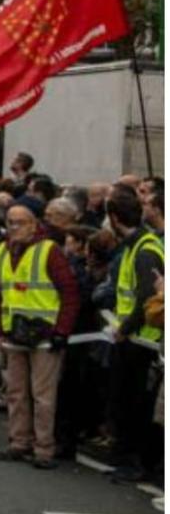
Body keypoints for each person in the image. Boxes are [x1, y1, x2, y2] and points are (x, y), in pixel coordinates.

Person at [0, 204, 79, 469]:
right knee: (16, 392)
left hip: (45, 334)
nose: (15, 227)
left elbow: (69, 293)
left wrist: (62, 331)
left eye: (20, 222)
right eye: (11, 222)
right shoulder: (2, 252)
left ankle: (43, 449)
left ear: (33, 224)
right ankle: (19, 442)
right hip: (13, 333)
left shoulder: (49, 251)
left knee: (43, 396)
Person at [104, 190, 163, 483]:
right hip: (132, 337)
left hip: (142, 342)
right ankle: (128, 458)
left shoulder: (144, 249)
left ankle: (137, 463)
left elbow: (146, 299)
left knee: (137, 404)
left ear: (114, 218)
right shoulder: (135, 246)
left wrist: (123, 329)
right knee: (125, 402)